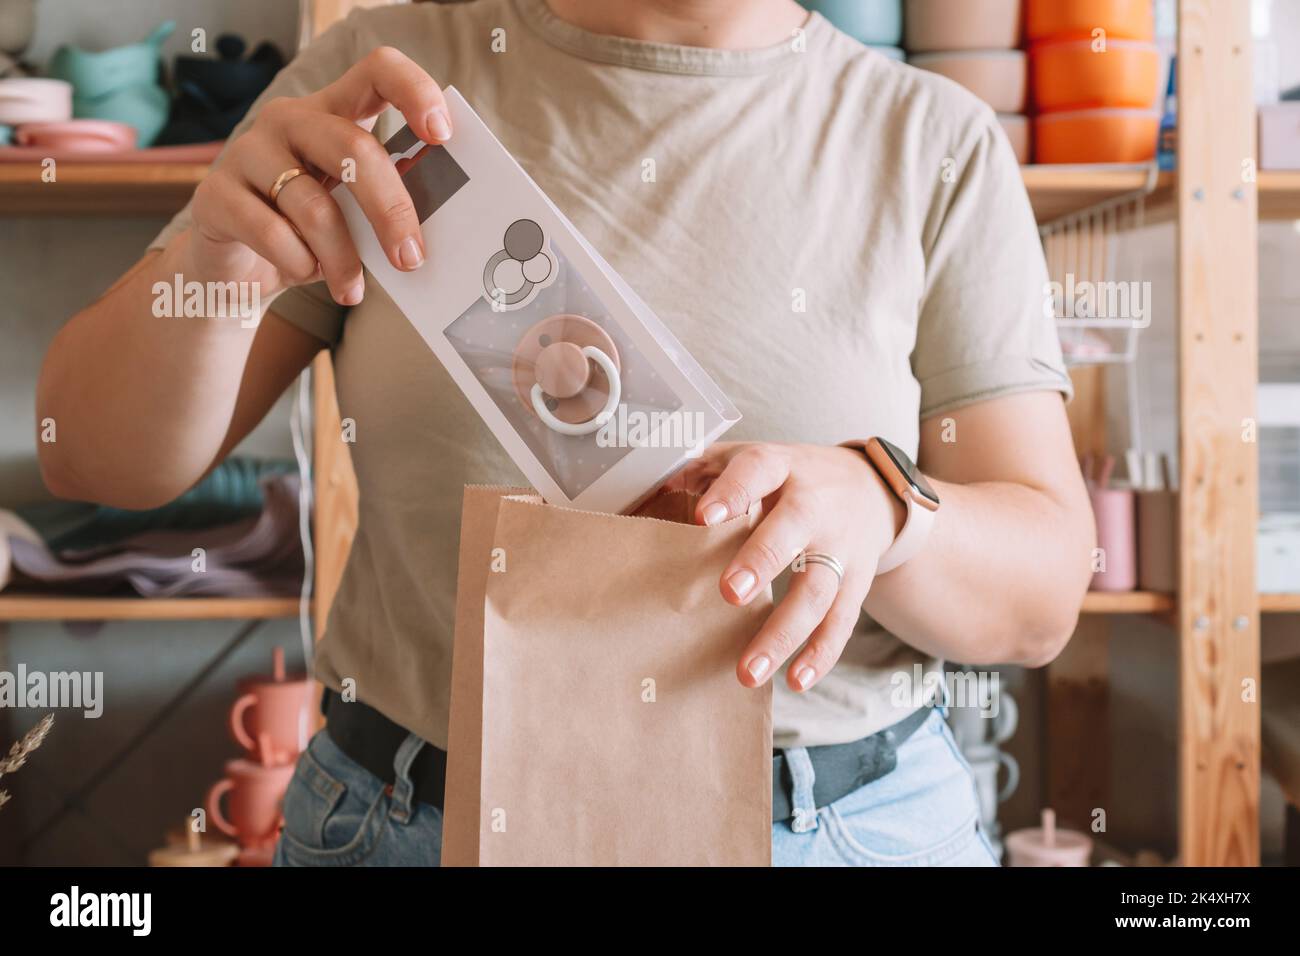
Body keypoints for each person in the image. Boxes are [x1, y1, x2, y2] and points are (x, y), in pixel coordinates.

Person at [36, 0, 1094, 867]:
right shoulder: (382, 86)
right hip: (416, 818)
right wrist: (220, 264)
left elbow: (1043, 596)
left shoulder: (933, 141)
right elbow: (87, 453)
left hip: (840, 827)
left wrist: (885, 508)